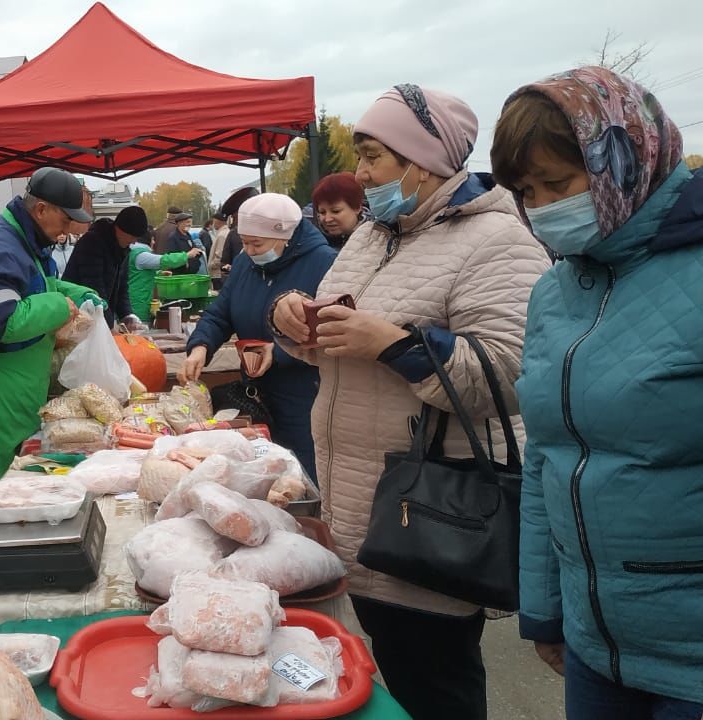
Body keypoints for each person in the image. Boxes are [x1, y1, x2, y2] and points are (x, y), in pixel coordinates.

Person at [268, 84, 550, 720]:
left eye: (372, 157)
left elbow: (508, 374)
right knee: (384, 675)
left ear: (421, 160)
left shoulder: (498, 242)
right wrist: (296, 324)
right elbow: (343, 344)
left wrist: (395, 345)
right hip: (359, 504)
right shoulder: (375, 234)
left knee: (435, 685)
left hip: (427, 516)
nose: (362, 175)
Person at [491, 67, 703, 719]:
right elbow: (546, 460)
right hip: (595, 650)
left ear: (627, 158)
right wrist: (545, 610)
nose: (543, 208)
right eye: (527, 191)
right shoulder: (552, 293)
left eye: (558, 183)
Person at [0, 167, 102, 523]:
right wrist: (58, 307)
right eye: (65, 219)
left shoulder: (29, 240)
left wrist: (80, 295)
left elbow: (40, 286)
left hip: (18, 388)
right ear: (42, 209)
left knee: (20, 494)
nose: (66, 230)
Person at [181, 193, 336, 477]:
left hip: (305, 397)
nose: (250, 251)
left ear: (285, 236)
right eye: (245, 243)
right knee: (262, 474)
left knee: (303, 475)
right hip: (256, 395)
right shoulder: (245, 264)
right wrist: (201, 345)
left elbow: (328, 333)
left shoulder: (324, 263)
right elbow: (220, 312)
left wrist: (277, 353)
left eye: (257, 244)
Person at [62, 205, 149, 329]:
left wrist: (128, 316)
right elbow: (94, 289)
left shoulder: (123, 249)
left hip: (98, 315)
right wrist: (108, 326)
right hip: (78, 314)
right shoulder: (92, 243)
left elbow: (122, 288)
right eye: (133, 237)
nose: (134, 242)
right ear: (121, 229)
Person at [127, 232, 202, 322]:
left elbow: (138, 272)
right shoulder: (140, 254)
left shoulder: (134, 252)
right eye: (153, 239)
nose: (154, 242)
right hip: (138, 301)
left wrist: (159, 273)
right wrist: (187, 255)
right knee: (138, 328)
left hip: (137, 297)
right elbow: (165, 260)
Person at [311, 171, 368, 250]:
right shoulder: (311, 244)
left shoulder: (378, 239)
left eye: (335, 211)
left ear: (357, 208)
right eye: (322, 212)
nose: (327, 219)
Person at [205, 210, 230, 289]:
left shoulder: (222, 235)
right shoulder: (225, 232)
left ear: (217, 221)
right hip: (220, 272)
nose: (213, 224)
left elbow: (220, 255)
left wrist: (211, 266)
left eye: (213, 221)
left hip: (217, 274)